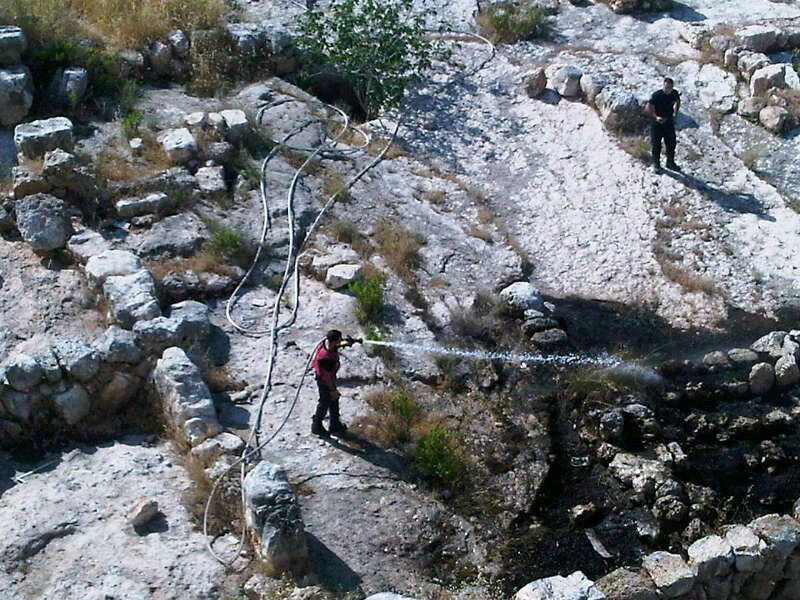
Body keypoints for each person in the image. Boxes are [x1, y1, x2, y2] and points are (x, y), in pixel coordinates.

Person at [311, 329, 359, 438]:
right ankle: (316, 426)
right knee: (324, 402)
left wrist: (350, 342)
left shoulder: (328, 344)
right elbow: (327, 377)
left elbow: (338, 345)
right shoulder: (325, 358)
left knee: (334, 402)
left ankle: (335, 425)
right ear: (333, 341)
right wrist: (333, 390)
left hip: (328, 379)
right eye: (339, 340)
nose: (340, 341)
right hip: (325, 382)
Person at [645, 77, 681, 174]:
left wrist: (675, 114)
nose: (667, 89)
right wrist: (656, 117)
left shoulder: (674, 93)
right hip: (657, 123)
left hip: (668, 121)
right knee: (656, 144)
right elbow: (648, 108)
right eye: (666, 87)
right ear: (663, 86)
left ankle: (670, 162)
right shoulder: (657, 95)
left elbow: (678, 101)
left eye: (669, 88)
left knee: (671, 143)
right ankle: (656, 164)